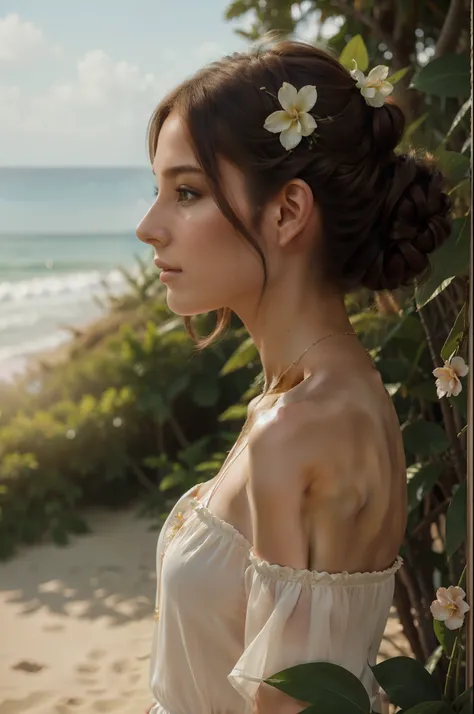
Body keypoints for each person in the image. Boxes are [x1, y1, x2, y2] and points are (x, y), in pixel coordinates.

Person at [136, 38, 451, 714]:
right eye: (157, 191)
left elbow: (290, 704)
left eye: (185, 192)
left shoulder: (300, 427)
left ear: (287, 211)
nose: (149, 227)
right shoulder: (334, 396)